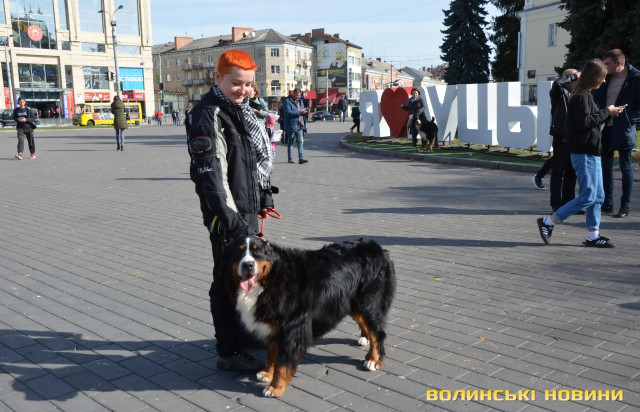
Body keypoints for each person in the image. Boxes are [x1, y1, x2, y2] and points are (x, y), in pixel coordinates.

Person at [188, 49, 275, 373]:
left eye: (249, 84)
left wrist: (263, 198)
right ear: (218, 78)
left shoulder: (240, 110)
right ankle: (228, 351)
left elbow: (249, 164)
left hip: (245, 211)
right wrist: (235, 223)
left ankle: (242, 335)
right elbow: (212, 177)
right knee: (225, 281)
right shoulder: (208, 114)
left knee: (245, 279)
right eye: (237, 83)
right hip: (226, 217)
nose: (244, 90)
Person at [537, 59, 625, 249]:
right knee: (588, 196)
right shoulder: (580, 96)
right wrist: (607, 112)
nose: (604, 82)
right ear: (594, 77)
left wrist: (609, 113)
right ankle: (548, 221)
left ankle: (593, 235)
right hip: (584, 153)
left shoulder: (586, 96)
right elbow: (584, 123)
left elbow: (590, 121)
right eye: (602, 78)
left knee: (598, 196)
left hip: (591, 152)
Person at [594, 49, 640, 218]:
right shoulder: (605, 78)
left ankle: (625, 206)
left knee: (625, 166)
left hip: (624, 128)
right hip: (605, 127)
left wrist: (628, 120)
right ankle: (607, 203)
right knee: (605, 166)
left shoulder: (636, 77)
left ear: (618, 63)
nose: (604, 66)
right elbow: (597, 99)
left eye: (607, 64)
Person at [536, 69, 580, 212]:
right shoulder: (558, 93)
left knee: (571, 174)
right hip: (561, 138)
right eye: (573, 78)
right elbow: (557, 83)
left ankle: (569, 204)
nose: (576, 81)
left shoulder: (577, 94)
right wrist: (574, 75)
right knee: (558, 173)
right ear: (567, 79)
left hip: (574, 139)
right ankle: (556, 205)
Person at [283, 87, 309, 164]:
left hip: (300, 124)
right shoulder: (287, 101)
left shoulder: (300, 101)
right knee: (291, 141)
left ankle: (301, 158)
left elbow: (302, 110)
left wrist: (305, 111)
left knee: (300, 141)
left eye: (299, 95)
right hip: (291, 125)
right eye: (297, 95)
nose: (298, 97)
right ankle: (290, 158)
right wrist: (299, 112)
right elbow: (288, 112)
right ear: (293, 94)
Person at [401, 88, 426, 153]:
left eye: (416, 93)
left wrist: (419, 111)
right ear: (411, 94)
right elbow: (409, 108)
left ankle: (424, 146)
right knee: (414, 133)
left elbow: (423, 107)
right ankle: (414, 147)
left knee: (423, 133)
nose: (414, 94)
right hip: (413, 119)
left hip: (421, 118)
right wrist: (403, 107)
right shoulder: (410, 100)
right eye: (413, 93)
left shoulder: (420, 99)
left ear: (418, 94)